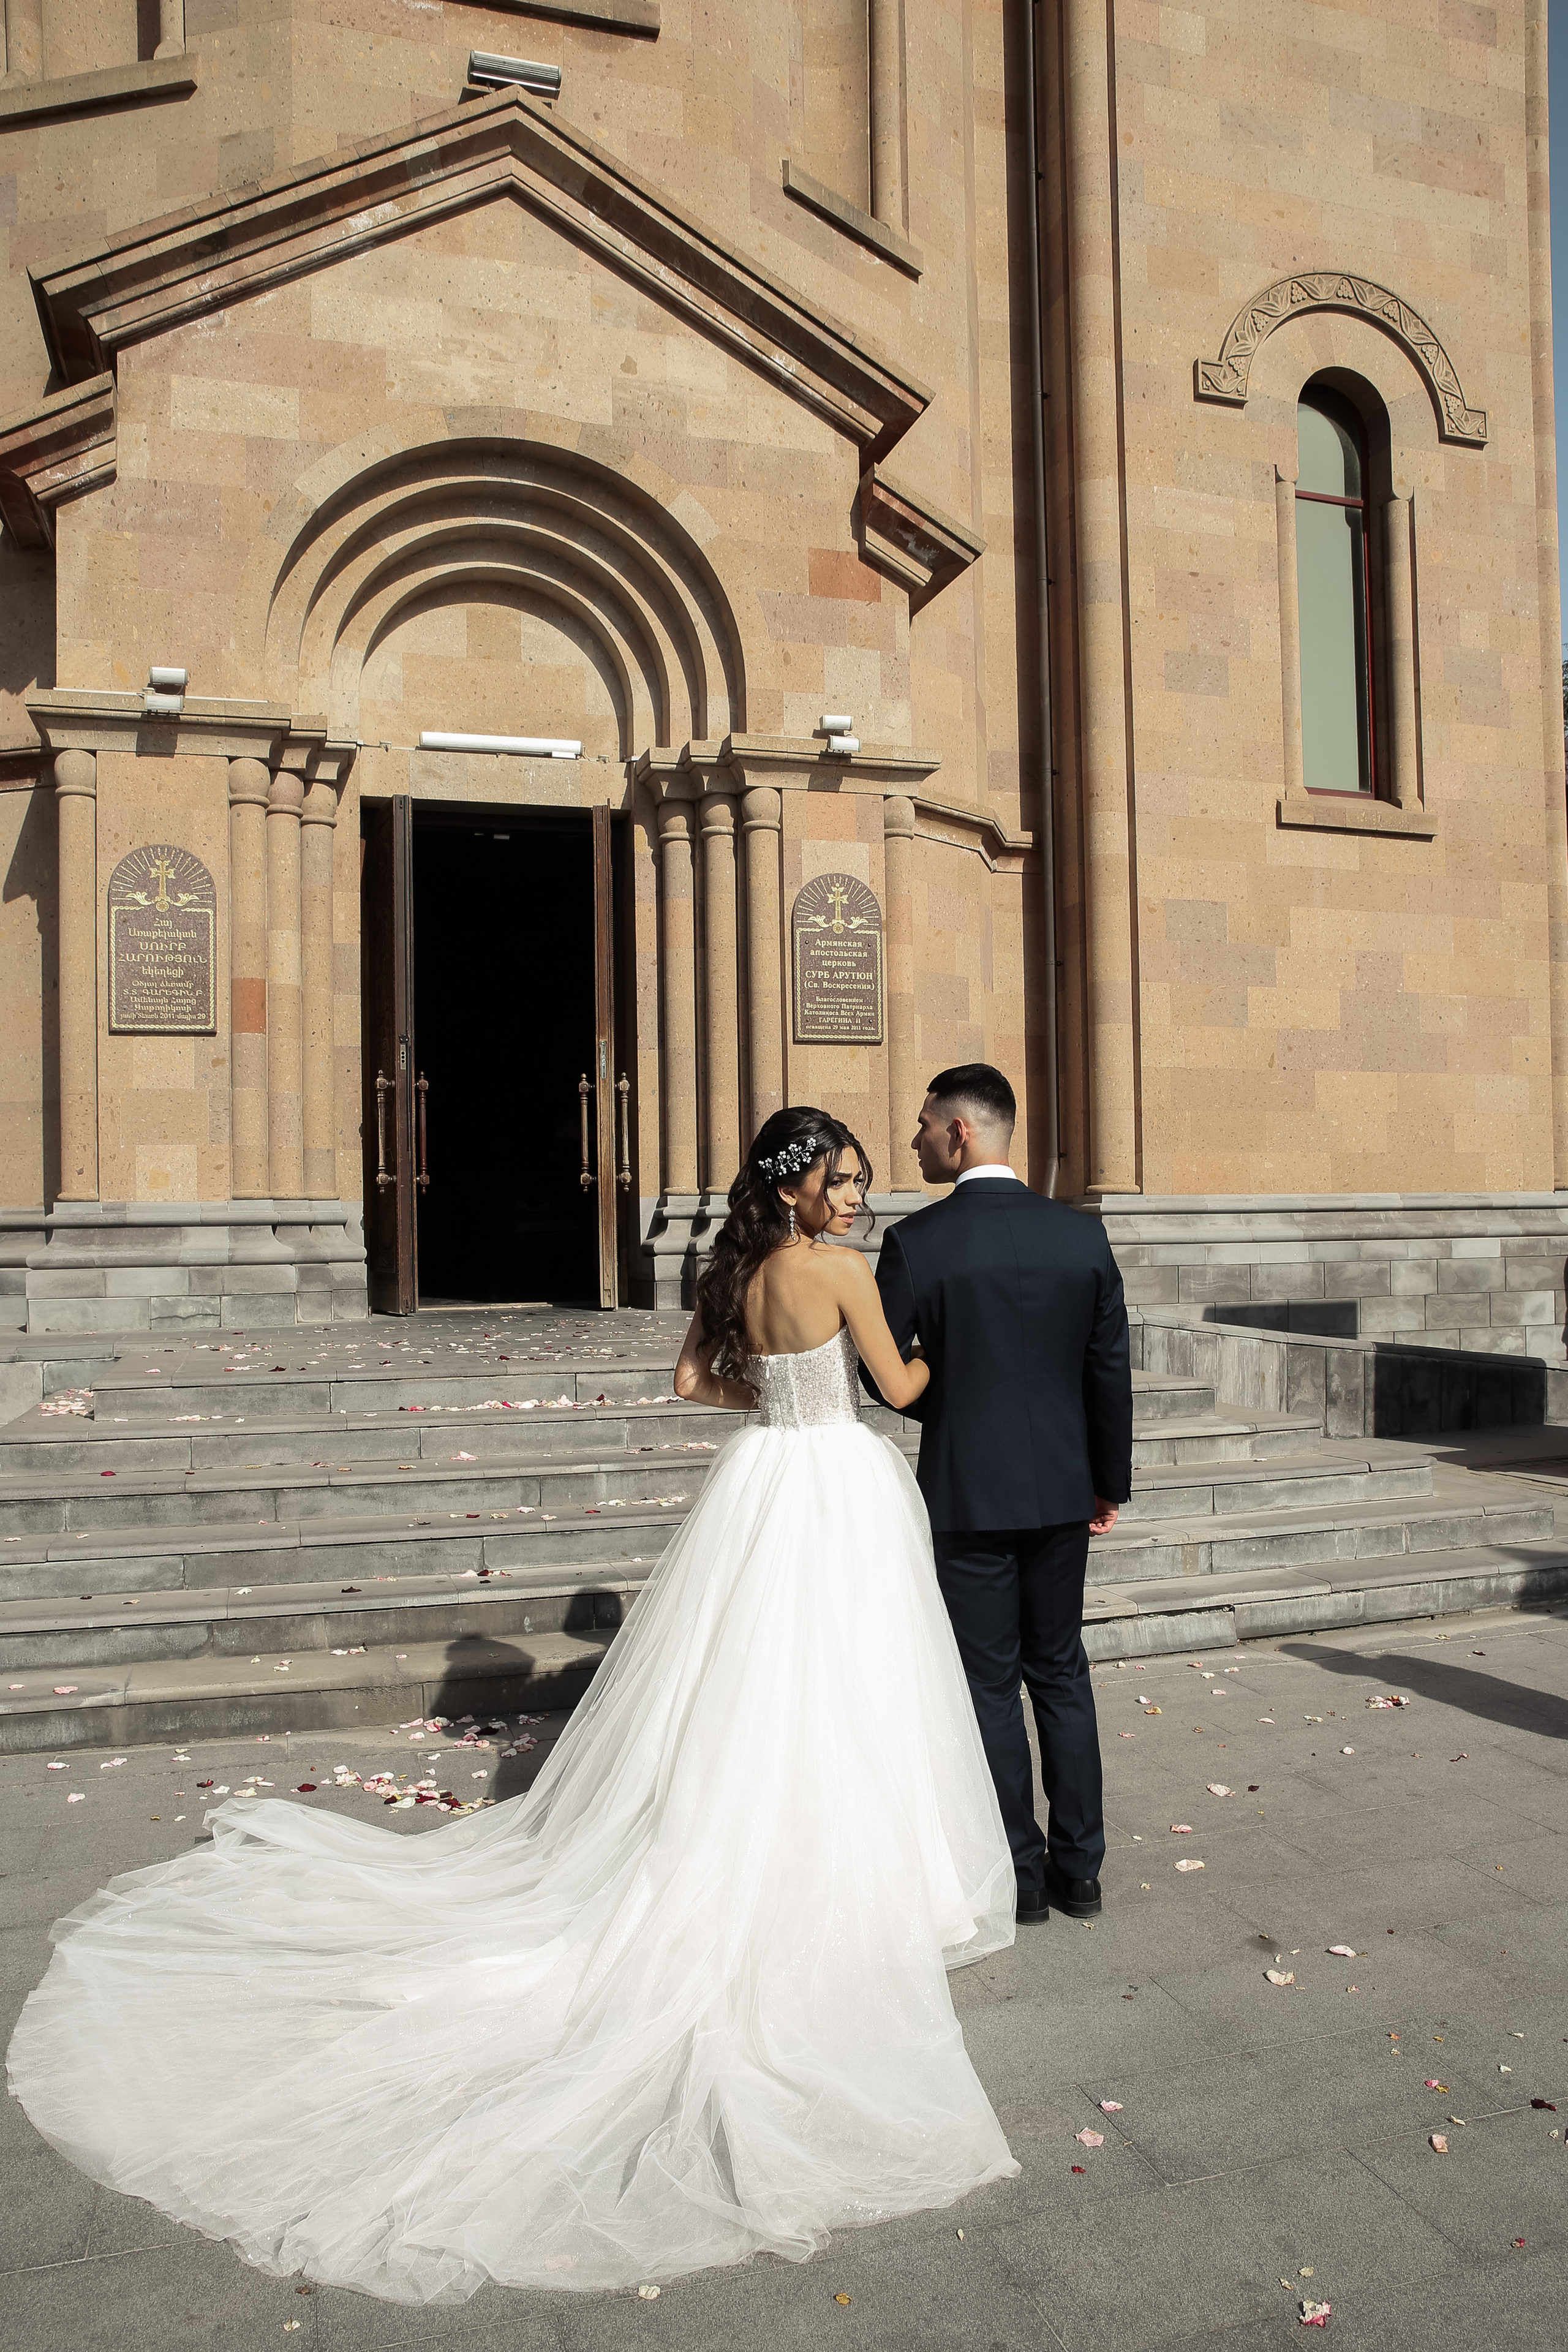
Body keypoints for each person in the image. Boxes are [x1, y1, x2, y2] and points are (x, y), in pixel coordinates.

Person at [7, 1107, 1018, 2305]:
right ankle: (859, 1870)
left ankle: (776, 1843)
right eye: (840, 1182)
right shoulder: (842, 1273)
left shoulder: (742, 1271)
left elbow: (693, 1378)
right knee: (851, 1682)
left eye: (857, 1183)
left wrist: (775, 1415)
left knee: (762, 1683)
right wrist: (955, 1353)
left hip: (763, 1480)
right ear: (797, 1187)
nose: (855, 1199)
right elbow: (897, 1382)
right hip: (840, 1483)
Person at [862, 1065, 1133, 1924]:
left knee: (986, 1683)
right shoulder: (1081, 1236)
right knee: (1060, 1670)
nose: (915, 1140)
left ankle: (1019, 1876)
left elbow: (883, 1370)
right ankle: (1082, 1871)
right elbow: (1107, 1371)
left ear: (961, 1132)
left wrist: (959, 1399)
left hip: (968, 1490)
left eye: (924, 1126)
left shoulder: (918, 1243)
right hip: (1061, 1487)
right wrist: (1107, 1480)